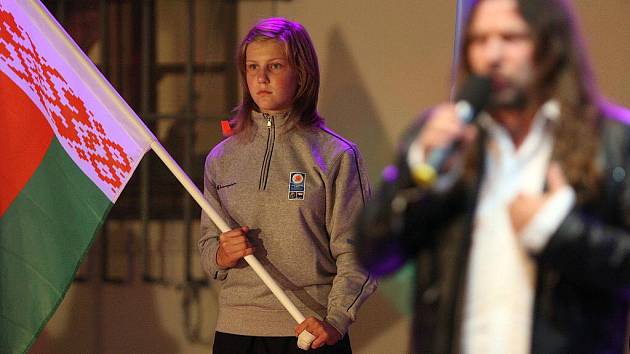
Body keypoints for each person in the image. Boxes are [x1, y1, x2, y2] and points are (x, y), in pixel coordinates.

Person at [356, 0, 630, 353]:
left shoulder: (612, 141)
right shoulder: (440, 138)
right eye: (479, 40)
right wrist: (415, 175)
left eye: (511, 37)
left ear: (551, 44)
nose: (493, 54)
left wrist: (562, 232)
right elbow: (374, 255)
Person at [198, 17, 376, 354]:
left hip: (311, 332)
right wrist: (223, 254)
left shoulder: (336, 155)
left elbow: (361, 251)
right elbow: (208, 249)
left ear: (302, 74)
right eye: (252, 67)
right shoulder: (221, 158)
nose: (260, 78)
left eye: (275, 66)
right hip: (236, 334)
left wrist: (336, 319)